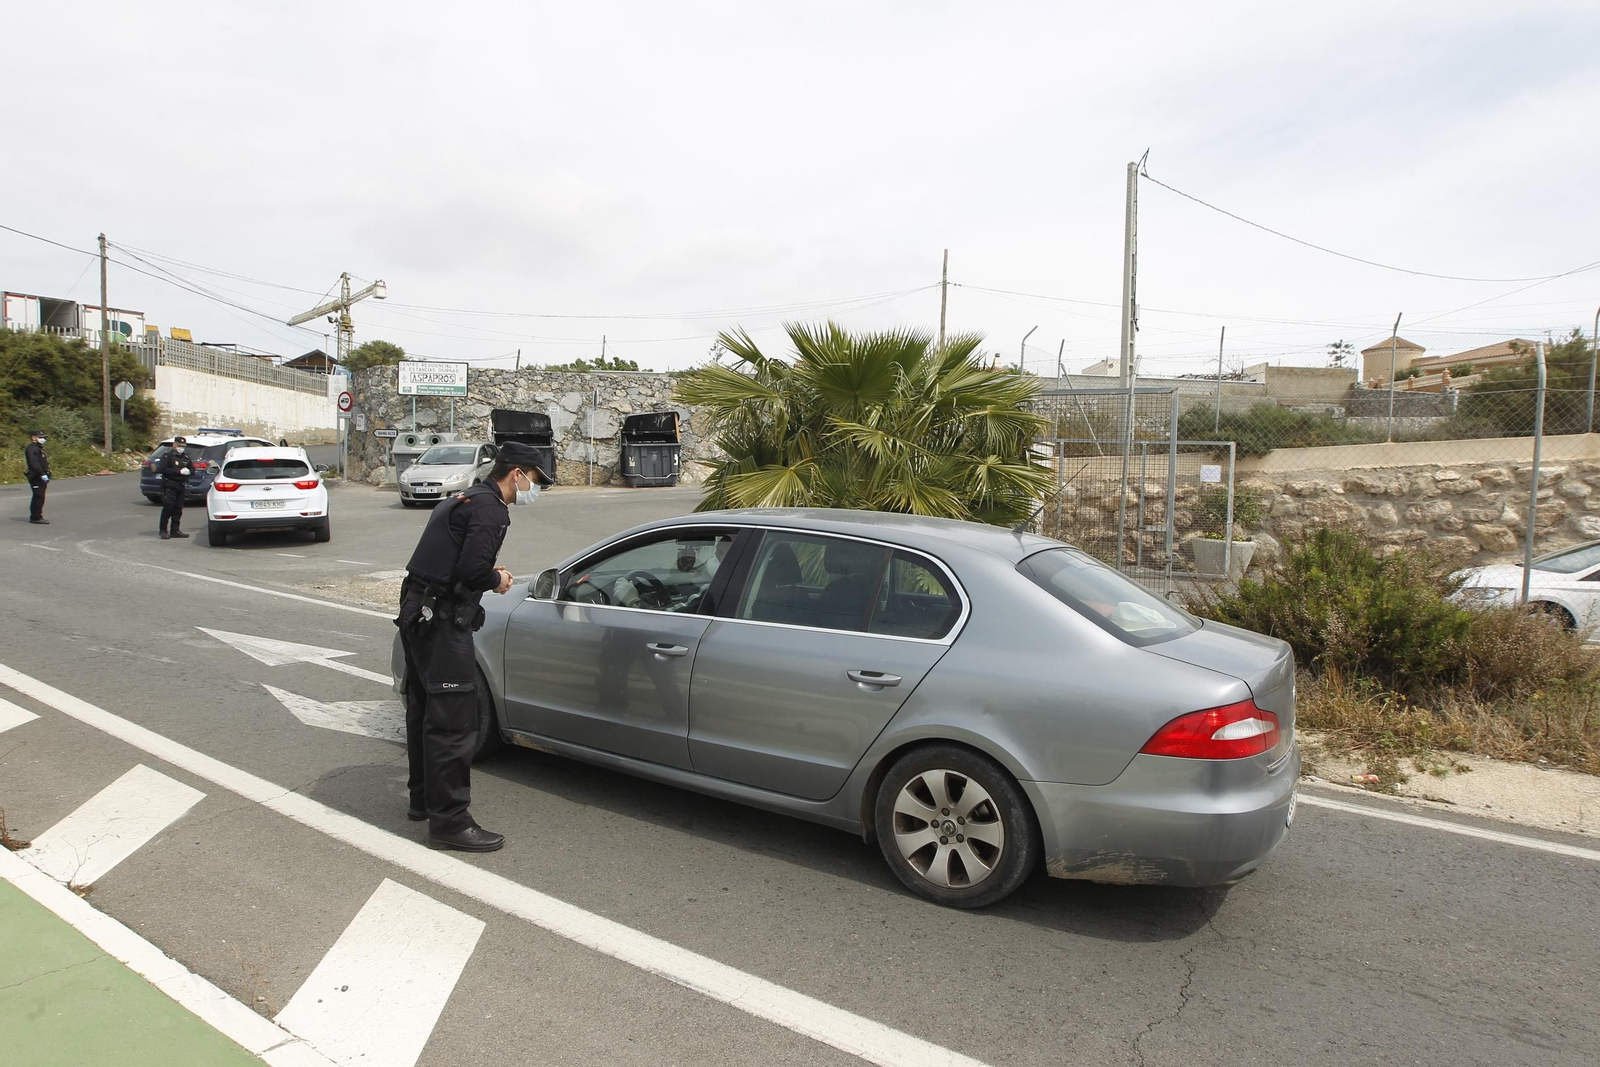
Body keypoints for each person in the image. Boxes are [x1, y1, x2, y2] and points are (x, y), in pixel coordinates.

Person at [397, 443, 551, 852]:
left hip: (417, 610)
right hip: (441, 622)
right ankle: (450, 822)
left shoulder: (464, 498)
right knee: (454, 722)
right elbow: (471, 570)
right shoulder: (490, 509)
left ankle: (423, 800)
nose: (534, 489)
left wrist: (483, 572)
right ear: (517, 474)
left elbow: (451, 559)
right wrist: (496, 579)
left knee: (424, 710)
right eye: (535, 480)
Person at [157, 436, 193, 539]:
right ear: (174, 445)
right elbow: (163, 469)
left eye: (183, 446)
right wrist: (178, 472)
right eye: (179, 445)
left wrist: (189, 471)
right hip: (169, 485)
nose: (181, 448)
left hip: (181, 485)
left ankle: (175, 530)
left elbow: (192, 469)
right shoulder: (167, 456)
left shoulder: (186, 457)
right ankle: (163, 530)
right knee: (168, 507)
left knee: (178, 508)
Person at [25, 431, 50, 525]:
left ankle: (37, 515)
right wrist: (41, 474)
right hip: (36, 476)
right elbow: (34, 463)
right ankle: (35, 517)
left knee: (41, 496)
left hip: (41, 475)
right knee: (38, 496)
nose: (43, 439)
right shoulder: (31, 448)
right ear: (33, 437)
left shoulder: (38, 448)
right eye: (40, 437)